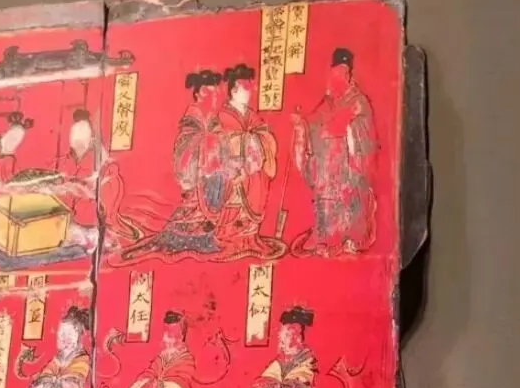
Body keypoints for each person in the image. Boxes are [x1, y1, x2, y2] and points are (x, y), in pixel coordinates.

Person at [118, 69, 229, 259]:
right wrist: (207, 145)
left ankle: (205, 238)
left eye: (216, 93)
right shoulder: (192, 121)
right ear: (200, 94)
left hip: (211, 175)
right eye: (211, 93)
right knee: (190, 216)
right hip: (197, 175)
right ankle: (187, 240)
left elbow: (222, 143)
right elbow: (185, 149)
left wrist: (219, 147)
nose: (215, 98)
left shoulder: (212, 120)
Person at [291, 48, 378, 255]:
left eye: (342, 73)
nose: (338, 78)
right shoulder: (328, 101)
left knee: (350, 193)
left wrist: (347, 129)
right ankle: (325, 238)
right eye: (335, 73)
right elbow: (315, 123)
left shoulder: (358, 102)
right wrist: (302, 125)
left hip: (350, 167)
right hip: (328, 167)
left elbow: (365, 134)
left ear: (349, 75)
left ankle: (351, 238)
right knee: (323, 186)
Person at [215, 63, 280, 257]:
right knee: (235, 194)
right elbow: (220, 141)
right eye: (245, 88)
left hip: (253, 169)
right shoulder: (223, 115)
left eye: (250, 88)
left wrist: (257, 141)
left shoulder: (251, 115)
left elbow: (264, 134)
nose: (249, 93)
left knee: (257, 181)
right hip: (232, 169)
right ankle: (230, 238)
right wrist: (245, 142)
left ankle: (250, 238)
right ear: (234, 90)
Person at [57, 108, 101, 252]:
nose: (78, 137)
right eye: (75, 133)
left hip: (89, 220)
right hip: (70, 217)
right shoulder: (66, 160)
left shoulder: (98, 159)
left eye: (83, 133)